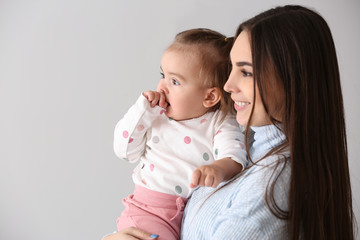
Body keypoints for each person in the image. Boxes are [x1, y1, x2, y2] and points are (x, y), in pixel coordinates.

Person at [104, 5, 355, 240]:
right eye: (231, 68)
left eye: (245, 72)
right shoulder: (251, 147)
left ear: (293, 79)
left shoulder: (272, 181)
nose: (227, 86)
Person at [108, 29, 248, 240]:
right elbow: (124, 152)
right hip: (148, 211)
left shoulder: (220, 121)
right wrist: (141, 111)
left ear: (210, 96)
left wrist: (217, 169)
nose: (162, 87)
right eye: (163, 76)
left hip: (185, 216)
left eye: (175, 82)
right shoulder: (154, 116)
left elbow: (234, 155)